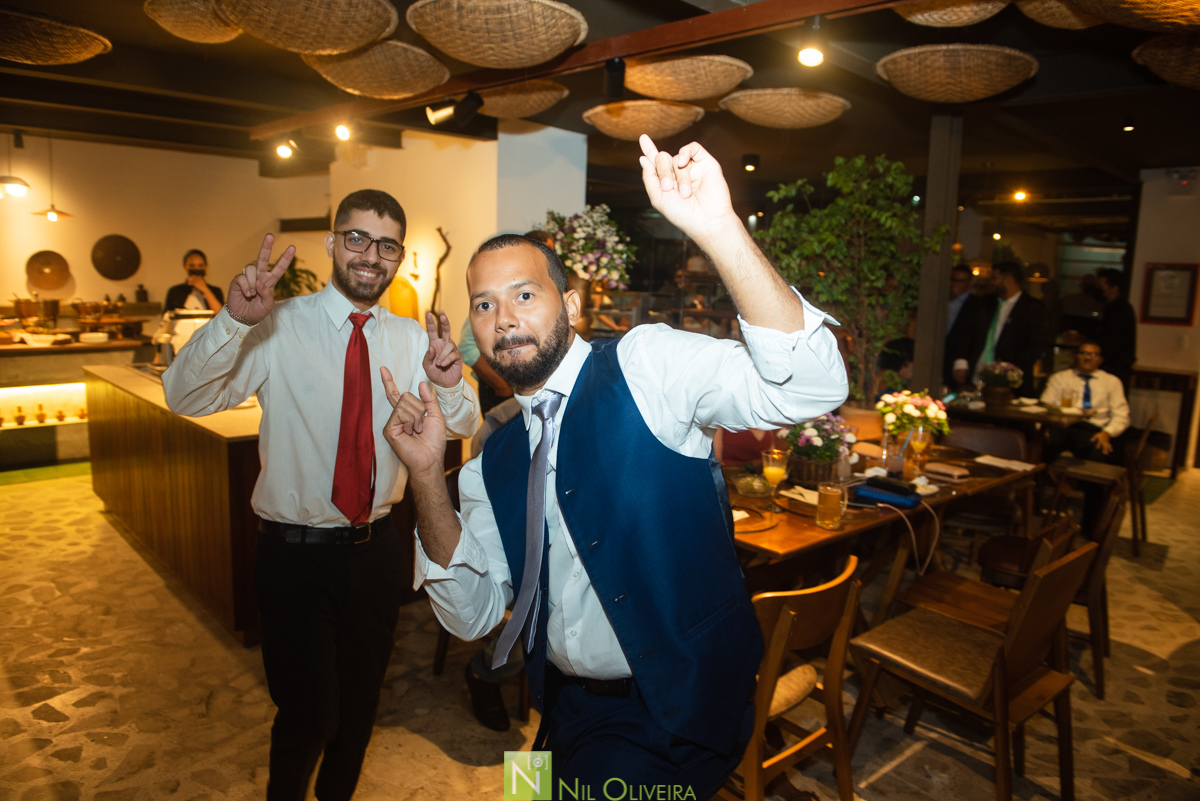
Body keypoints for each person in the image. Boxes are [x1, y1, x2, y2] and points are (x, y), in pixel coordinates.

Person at [380, 136, 848, 799]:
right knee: (526, 797)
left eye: (523, 294)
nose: (503, 318)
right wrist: (427, 476)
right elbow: (472, 613)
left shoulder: (644, 365)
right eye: (483, 304)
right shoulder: (496, 459)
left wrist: (718, 227)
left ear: (570, 306)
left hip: (668, 712)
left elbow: (810, 386)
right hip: (556, 708)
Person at [163, 190, 479, 801]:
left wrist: (451, 382)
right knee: (309, 715)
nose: (371, 255)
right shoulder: (276, 326)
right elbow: (184, 397)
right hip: (293, 557)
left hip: (375, 552)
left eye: (387, 245)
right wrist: (232, 322)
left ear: (397, 258)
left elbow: (462, 423)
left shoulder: (411, 338)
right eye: (356, 238)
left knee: (359, 713)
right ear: (333, 244)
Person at [1040, 340, 1130, 536]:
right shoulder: (1060, 378)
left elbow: (1122, 415)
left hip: (1092, 430)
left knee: (1097, 459)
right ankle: (1035, 509)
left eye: (1093, 354)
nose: (1087, 357)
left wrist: (1107, 432)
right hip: (1062, 426)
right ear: (1076, 356)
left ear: (1100, 359)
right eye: (1083, 353)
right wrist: (1044, 427)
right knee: (1038, 449)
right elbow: (1045, 405)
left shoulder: (1111, 382)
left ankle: (1092, 524)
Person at [969, 261, 1048, 397]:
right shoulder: (986, 303)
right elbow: (971, 334)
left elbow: (1036, 345)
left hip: (1011, 382)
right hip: (978, 374)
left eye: (995, 278)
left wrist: (1009, 372)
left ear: (1008, 279)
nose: (992, 283)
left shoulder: (1033, 308)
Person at [1094, 268, 1137, 393]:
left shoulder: (1120, 310)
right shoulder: (1109, 308)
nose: (1097, 289)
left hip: (1114, 369)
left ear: (1114, 288)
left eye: (1101, 286)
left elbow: (1110, 342)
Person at [944, 264, 985, 386]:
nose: (955, 284)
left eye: (960, 281)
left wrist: (963, 361)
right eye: (953, 279)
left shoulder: (977, 305)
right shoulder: (942, 299)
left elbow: (975, 336)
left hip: (958, 358)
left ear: (969, 283)